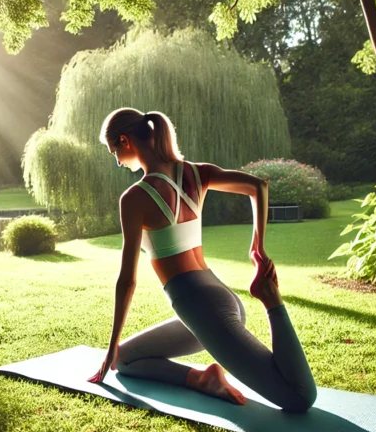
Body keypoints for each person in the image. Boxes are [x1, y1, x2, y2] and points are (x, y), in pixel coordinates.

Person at [88, 108, 317, 413]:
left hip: (201, 308)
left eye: (113, 151)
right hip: (213, 299)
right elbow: (258, 186)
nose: (117, 161)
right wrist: (257, 246)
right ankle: (203, 378)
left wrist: (108, 348)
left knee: (298, 397)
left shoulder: (135, 198)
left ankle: (272, 300)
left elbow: (127, 280)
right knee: (125, 359)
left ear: (125, 140)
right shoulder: (196, 173)